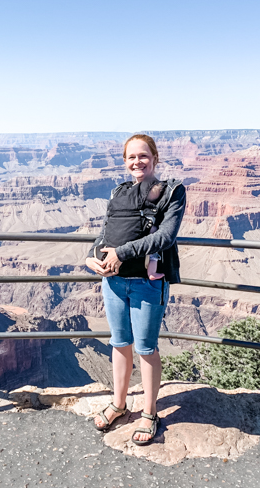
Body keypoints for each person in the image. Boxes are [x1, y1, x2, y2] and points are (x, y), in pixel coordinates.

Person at [85, 134, 186, 445]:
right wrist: (91, 258)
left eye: (143, 156)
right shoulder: (120, 192)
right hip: (113, 281)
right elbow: (105, 233)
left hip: (147, 284)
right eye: (131, 157)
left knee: (145, 348)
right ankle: (118, 404)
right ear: (124, 161)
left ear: (154, 158)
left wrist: (121, 253)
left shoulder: (172, 192)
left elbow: (165, 237)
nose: (137, 162)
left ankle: (149, 411)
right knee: (119, 343)